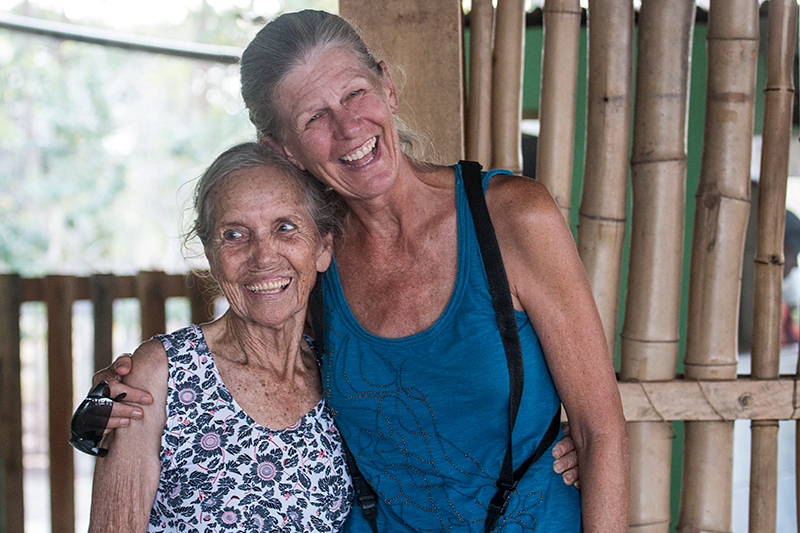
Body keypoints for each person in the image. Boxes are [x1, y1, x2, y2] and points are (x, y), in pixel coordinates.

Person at [82, 9, 628, 531]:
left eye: (355, 93)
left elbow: (599, 430)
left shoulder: (510, 217)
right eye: (314, 117)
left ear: (387, 87)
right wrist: (125, 394)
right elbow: (243, 366)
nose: (347, 127)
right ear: (283, 150)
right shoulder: (315, 256)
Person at [87, 142, 353, 532]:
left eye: (285, 227)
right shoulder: (161, 375)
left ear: (323, 248)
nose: (263, 256)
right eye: (234, 234)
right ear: (211, 256)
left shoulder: (341, 378)